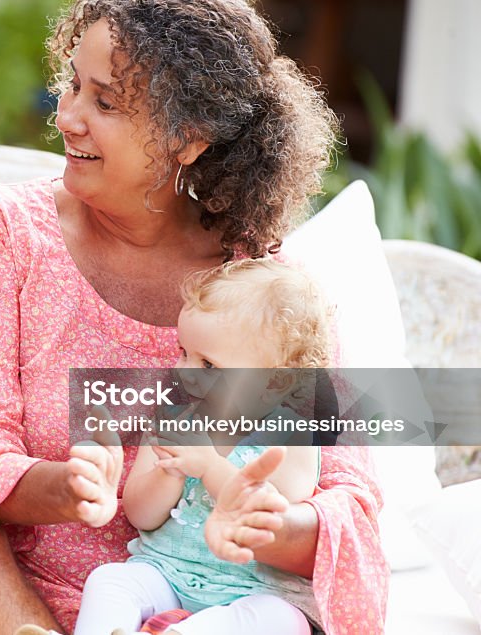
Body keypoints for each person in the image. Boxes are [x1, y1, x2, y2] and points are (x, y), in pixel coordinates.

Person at [0, 0, 386, 635]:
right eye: (71, 87)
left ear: (189, 137)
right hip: (13, 589)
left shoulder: (263, 281)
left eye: (105, 102)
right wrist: (61, 486)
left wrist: (263, 518)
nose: (67, 117)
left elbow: (347, 494)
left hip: (210, 607)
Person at [71, 260, 330, 635]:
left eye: (208, 364)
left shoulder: (291, 433)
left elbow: (274, 516)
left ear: (274, 384)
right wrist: (169, 471)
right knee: (110, 580)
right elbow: (141, 515)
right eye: (183, 352)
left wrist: (209, 466)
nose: (184, 371)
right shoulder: (174, 416)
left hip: (254, 590)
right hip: (168, 575)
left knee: (280, 620)